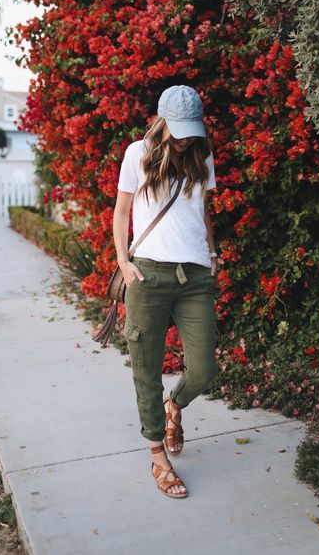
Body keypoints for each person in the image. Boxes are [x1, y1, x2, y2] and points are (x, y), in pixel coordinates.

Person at [113, 85, 218, 499]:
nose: (187, 137)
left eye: (192, 130)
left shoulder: (203, 155)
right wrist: (124, 262)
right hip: (149, 275)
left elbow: (203, 210)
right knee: (146, 369)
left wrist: (211, 253)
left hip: (194, 275)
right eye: (180, 130)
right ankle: (158, 455)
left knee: (204, 368)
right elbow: (122, 211)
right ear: (162, 121)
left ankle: (174, 405)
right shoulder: (137, 154)